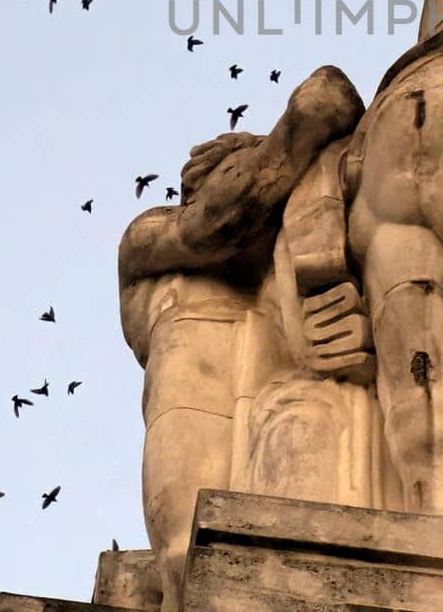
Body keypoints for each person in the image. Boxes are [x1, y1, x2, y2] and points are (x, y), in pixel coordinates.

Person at [117, 66, 363, 611]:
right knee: (192, 564)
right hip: (194, 395)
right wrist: (303, 130)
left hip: (282, 400)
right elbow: (219, 221)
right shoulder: (151, 238)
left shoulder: (285, 267)